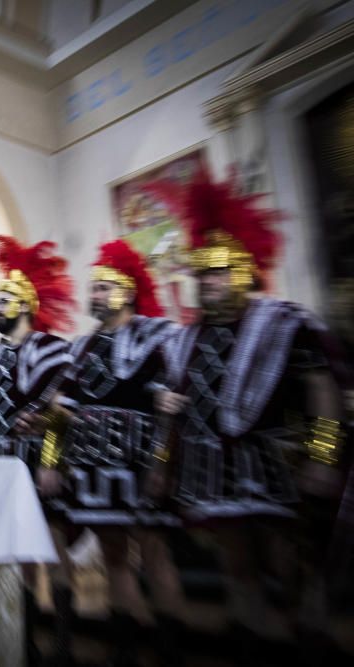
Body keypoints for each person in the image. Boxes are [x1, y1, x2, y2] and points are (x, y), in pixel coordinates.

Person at [152, 169, 349, 664]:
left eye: (218, 272)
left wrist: (324, 456)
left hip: (277, 464)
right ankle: (253, 641)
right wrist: (161, 461)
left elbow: (322, 388)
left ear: (242, 270)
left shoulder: (285, 321)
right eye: (202, 274)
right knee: (236, 560)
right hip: (210, 467)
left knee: (293, 562)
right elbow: (175, 406)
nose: (208, 282)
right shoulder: (186, 337)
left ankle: (310, 637)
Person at [38, 240, 186, 666]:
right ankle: (126, 649)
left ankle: (170, 649)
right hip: (92, 465)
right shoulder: (80, 347)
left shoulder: (159, 335)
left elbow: (173, 403)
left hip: (142, 461)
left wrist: (163, 461)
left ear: (126, 291)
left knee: (155, 555)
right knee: (115, 559)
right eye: (94, 288)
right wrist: (51, 462)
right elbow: (59, 409)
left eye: (104, 288)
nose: (96, 295)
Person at [0, 234, 76, 666]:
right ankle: (26, 639)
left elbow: (62, 411)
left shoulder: (52, 348)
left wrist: (51, 462)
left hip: (37, 458)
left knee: (51, 546)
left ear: (25, 305)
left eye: (5, 298)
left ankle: (64, 643)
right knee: (18, 551)